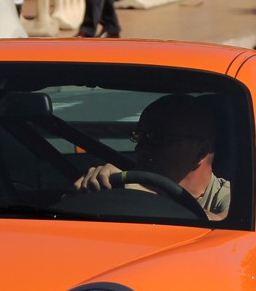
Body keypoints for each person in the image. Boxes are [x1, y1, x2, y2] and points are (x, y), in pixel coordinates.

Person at [73, 94, 229, 220]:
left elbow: (222, 223)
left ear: (201, 152)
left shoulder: (227, 197)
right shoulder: (123, 185)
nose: (140, 147)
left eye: (157, 138)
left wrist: (138, 195)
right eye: (139, 136)